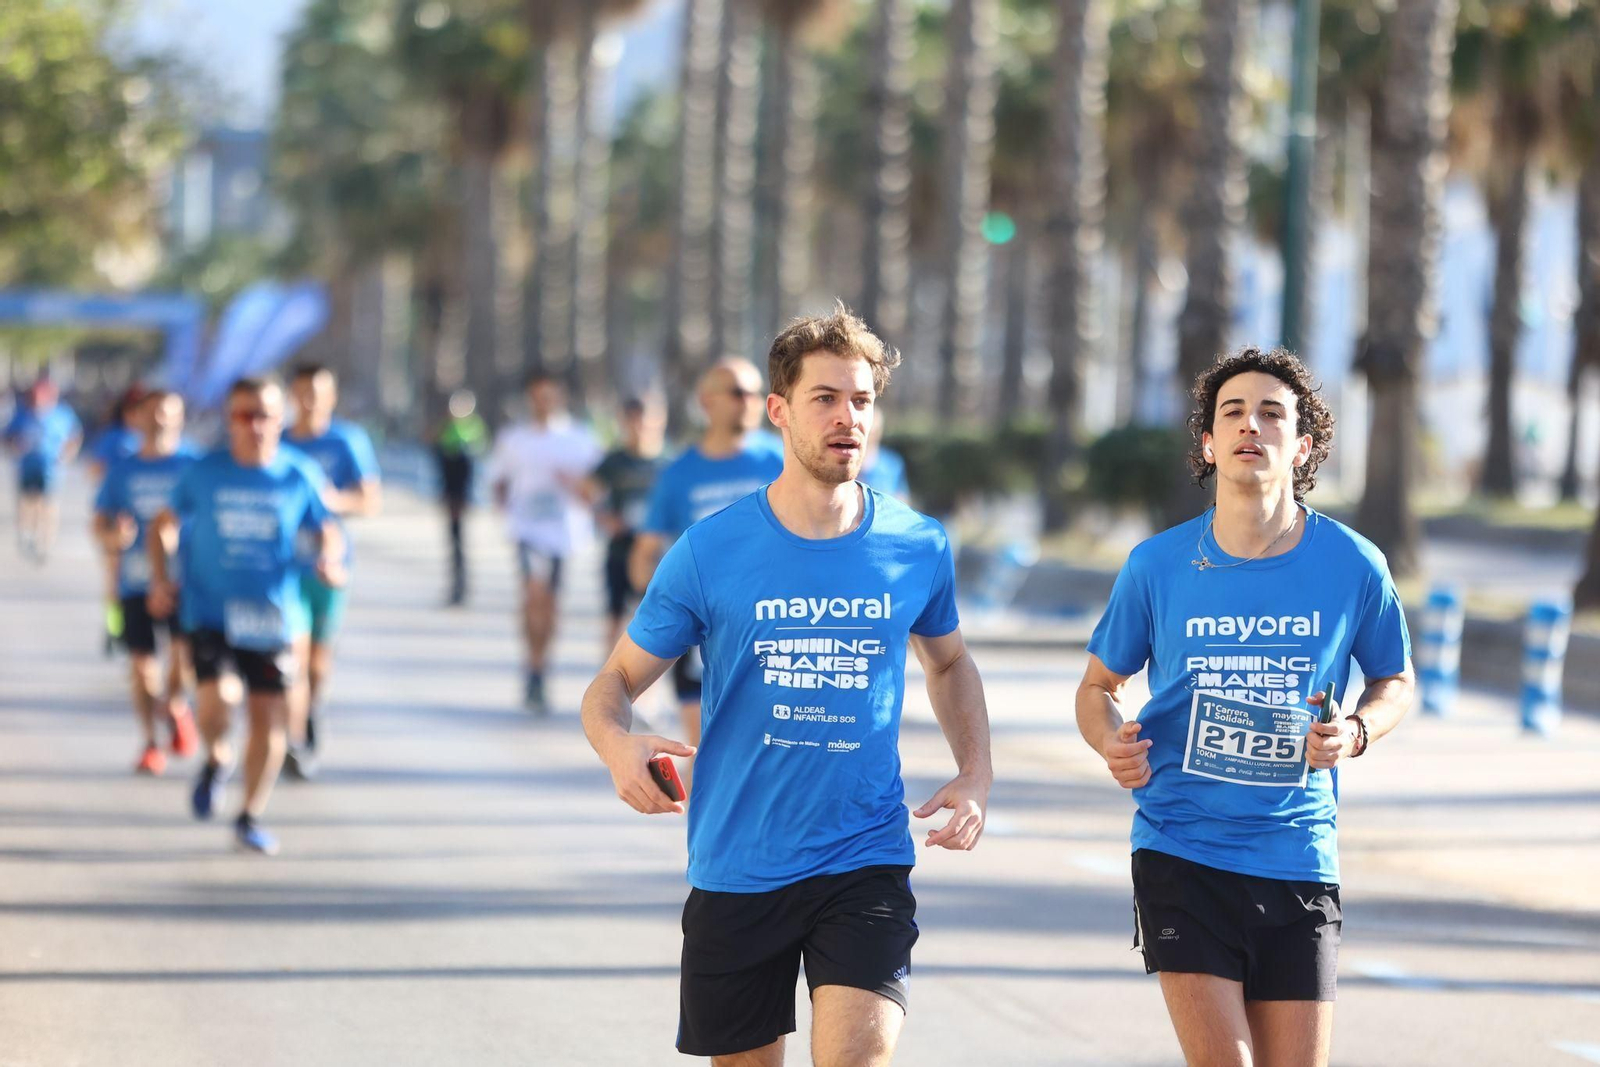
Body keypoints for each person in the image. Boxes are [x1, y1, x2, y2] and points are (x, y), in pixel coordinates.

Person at [582, 306, 992, 1065]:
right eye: (826, 398)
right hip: (738, 862)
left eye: (862, 400)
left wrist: (976, 771)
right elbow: (614, 682)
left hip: (864, 857)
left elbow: (948, 662)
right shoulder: (710, 550)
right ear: (779, 411)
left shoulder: (916, 544)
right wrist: (616, 745)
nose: (848, 418)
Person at [1074, 346, 1415, 1067]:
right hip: (1181, 849)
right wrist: (1111, 741)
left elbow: (1395, 679)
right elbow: (1098, 686)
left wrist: (1355, 732)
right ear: (1207, 443)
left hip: (1297, 851)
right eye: (1232, 412)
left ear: (1303, 445)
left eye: (1272, 413)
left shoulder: (1353, 563)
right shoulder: (1157, 564)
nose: (1250, 425)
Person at [147, 378, 342, 855]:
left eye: (264, 415)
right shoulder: (204, 472)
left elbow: (327, 528)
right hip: (210, 610)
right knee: (218, 703)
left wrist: (329, 560)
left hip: (274, 616)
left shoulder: (299, 474)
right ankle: (216, 759)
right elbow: (163, 524)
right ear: (229, 419)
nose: (254, 425)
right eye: (242, 415)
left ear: (280, 420)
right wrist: (161, 575)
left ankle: (250, 814)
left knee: (270, 721)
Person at [629, 359, 784, 756]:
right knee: (704, 752)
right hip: (703, 633)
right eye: (737, 393)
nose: (749, 402)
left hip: (774, 626)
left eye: (755, 393)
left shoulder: (782, 461)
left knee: (770, 753)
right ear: (706, 401)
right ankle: (704, 820)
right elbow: (645, 553)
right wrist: (663, 614)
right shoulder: (679, 474)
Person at [281, 363, 382, 779]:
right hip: (282, 568)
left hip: (330, 567)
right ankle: (293, 737)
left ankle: (312, 711)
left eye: (317, 393)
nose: (309, 401)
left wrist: (327, 502)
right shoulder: (278, 439)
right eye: (302, 391)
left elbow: (369, 502)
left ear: (331, 397)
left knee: (318, 663)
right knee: (292, 657)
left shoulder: (347, 440)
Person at [92, 389, 199, 775]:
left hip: (187, 581)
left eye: (169, 414)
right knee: (141, 668)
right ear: (137, 418)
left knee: (183, 662)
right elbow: (100, 523)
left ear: (181, 419)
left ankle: (175, 705)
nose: (160, 420)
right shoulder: (122, 469)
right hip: (135, 581)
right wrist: (112, 538)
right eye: (153, 413)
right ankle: (151, 742)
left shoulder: (195, 465)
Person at [485, 372, 603, 714]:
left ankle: (541, 665)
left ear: (560, 397)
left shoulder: (580, 439)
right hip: (527, 531)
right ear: (529, 399)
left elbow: (597, 489)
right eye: (537, 396)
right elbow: (498, 479)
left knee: (549, 605)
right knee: (533, 595)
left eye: (549, 396)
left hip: (563, 535)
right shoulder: (514, 439)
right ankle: (532, 664)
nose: (543, 403)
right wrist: (503, 507)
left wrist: (577, 485)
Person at [590, 396, 666, 654]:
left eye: (644, 420)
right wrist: (605, 518)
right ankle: (610, 676)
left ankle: (647, 690)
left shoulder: (667, 462)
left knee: (654, 620)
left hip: (657, 552)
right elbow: (585, 489)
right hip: (621, 548)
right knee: (616, 615)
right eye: (632, 421)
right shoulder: (615, 461)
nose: (639, 427)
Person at [88, 385, 150, 654]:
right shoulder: (114, 438)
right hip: (117, 517)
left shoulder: (153, 440)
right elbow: (95, 469)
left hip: (149, 519)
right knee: (115, 575)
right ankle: (114, 626)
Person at [4, 378, 81, 564]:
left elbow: (75, 435)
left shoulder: (62, 414)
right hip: (27, 466)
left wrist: (68, 454)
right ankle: (27, 532)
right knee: (27, 502)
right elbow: (7, 436)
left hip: (51, 468)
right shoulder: (22, 414)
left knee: (48, 505)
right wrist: (15, 446)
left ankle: (45, 541)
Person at [433, 389, 488, 605]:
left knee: (461, 543)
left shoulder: (473, 429)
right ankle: (457, 585)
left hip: (464, 495)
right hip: (451, 494)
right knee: (454, 541)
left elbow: (474, 466)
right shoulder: (446, 429)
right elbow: (440, 462)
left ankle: (462, 585)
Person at [859, 411, 910, 501]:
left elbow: (902, 498)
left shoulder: (892, 463)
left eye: (874, 431)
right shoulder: (847, 461)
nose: (870, 436)